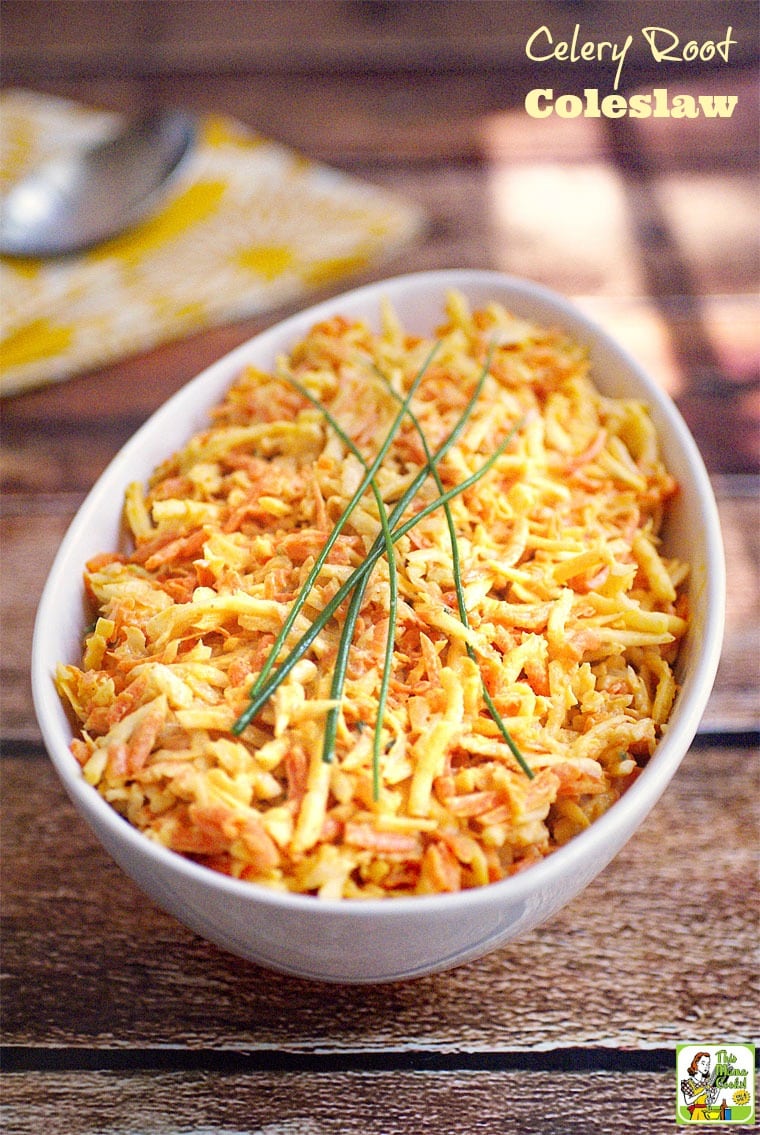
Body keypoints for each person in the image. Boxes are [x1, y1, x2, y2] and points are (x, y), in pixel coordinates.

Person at [680, 1052, 719, 1120]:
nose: (706, 1067)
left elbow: (712, 1101)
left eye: (708, 1064)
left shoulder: (707, 1082)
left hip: (706, 1113)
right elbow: (688, 1102)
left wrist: (718, 1089)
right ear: (696, 1063)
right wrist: (701, 1093)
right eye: (703, 1064)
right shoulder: (688, 1083)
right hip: (696, 1114)